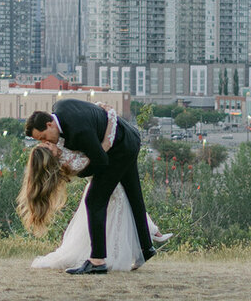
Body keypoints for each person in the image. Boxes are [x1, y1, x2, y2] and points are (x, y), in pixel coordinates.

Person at [20, 98, 164, 274]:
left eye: (43, 137)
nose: (45, 142)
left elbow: (101, 162)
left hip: (121, 149)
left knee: (94, 200)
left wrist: (80, 171)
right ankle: (145, 248)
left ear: (50, 124)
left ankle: (97, 260)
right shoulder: (60, 107)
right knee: (134, 195)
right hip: (129, 138)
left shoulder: (78, 132)